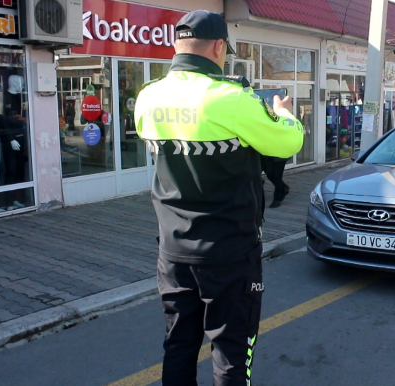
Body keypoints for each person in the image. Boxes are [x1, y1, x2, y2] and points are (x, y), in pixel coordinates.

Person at [134, 9, 304, 386]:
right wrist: (283, 114)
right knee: (230, 352)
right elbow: (289, 142)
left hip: (172, 251)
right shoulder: (232, 99)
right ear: (218, 46)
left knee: (178, 344)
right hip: (228, 252)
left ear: (177, 46)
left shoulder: (147, 98)